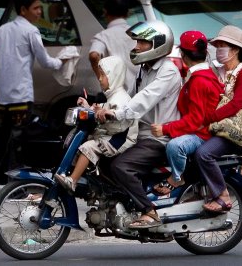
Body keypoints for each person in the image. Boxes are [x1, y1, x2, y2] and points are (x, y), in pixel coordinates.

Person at [0, 0, 67, 198]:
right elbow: (45, 61)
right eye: (35, 8)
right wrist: (63, 61)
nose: (38, 13)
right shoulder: (31, 31)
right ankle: (16, 190)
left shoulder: (2, 30)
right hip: (21, 97)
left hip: (4, 98)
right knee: (17, 144)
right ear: (23, 9)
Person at [96, 20, 182, 229]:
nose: (136, 47)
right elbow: (130, 97)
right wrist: (100, 107)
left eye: (142, 43)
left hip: (158, 138)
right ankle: (125, 204)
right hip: (138, 134)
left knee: (121, 166)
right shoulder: (145, 68)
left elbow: (144, 99)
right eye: (137, 43)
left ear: (157, 44)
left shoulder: (168, 71)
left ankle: (149, 212)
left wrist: (115, 113)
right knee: (103, 160)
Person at [150, 31, 224, 195]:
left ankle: (177, 178)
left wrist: (166, 128)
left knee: (175, 146)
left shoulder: (199, 81)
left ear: (183, 54)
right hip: (202, 129)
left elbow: (195, 120)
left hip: (202, 134)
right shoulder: (205, 74)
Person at [194, 25, 242, 213]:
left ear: (236, 49)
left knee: (204, 154)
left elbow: (236, 104)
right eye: (218, 45)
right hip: (218, 127)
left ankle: (222, 196)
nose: (219, 49)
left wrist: (208, 118)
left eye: (223, 45)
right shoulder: (220, 71)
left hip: (233, 132)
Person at [55, 56, 138, 192]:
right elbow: (99, 110)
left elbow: (119, 124)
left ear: (114, 76)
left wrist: (105, 115)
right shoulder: (110, 96)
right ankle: (76, 175)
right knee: (81, 143)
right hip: (109, 135)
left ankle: (73, 181)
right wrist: (88, 106)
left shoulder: (121, 98)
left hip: (120, 139)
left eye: (103, 75)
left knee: (89, 147)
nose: (99, 79)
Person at [89, 0, 138, 95]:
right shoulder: (138, 32)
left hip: (119, 92)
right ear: (128, 13)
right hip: (142, 89)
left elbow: (94, 56)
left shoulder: (103, 36)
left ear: (105, 12)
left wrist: (102, 79)